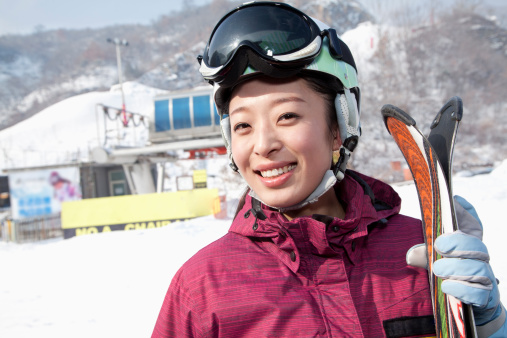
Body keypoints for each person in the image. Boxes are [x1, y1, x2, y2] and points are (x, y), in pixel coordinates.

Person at [152, 2, 505, 337]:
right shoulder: (202, 287)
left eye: (287, 116)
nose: (263, 145)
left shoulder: (422, 255)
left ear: (338, 127)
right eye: (243, 126)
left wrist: (490, 326)